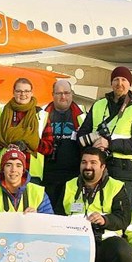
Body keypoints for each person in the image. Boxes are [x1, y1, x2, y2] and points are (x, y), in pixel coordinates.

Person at [62, 148, 132, 262]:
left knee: (125, 253)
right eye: (84, 162)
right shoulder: (68, 185)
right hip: (75, 242)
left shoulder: (116, 187)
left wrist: (105, 220)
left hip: (105, 241)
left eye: (93, 163)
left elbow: (124, 219)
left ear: (103, 167)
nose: (88, 166)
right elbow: (57, 215)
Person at [77, 66, 132, 200]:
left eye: (124, 80)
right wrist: (95, 141)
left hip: (123, 170)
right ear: (111, 83)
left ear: (130, 84)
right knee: (95, 210)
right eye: (116, 79)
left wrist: (109, 144)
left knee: (120, 214)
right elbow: (82, 135)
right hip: (96, 168)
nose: (119, 83)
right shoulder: (99, 105)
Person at [38, 79, 85, 215]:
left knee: (68, 213)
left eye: (66, 93)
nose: (63, 97)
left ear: (72, 95)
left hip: (73, 177)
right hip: (48, 175)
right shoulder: (42, 116)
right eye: (59, 93)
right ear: (52, 95)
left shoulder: (82, 116)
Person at [0, 78, 48, 183]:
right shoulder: (1, 113)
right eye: (19, 91)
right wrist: (8, 145)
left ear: (32, 93)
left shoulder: (41, 115)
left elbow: (48, 147)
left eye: (26, 91)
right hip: (4, 171)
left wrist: (28, 144)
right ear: (13, 92)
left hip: (32, 172)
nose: (23, 94)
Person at [0, 146, 54, 214]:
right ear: (3, 170)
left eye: (18, 165)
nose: (13, 170)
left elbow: (50, 222)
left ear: (23, 170)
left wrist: (37, 218)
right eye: (9, 165)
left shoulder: (38, 193)